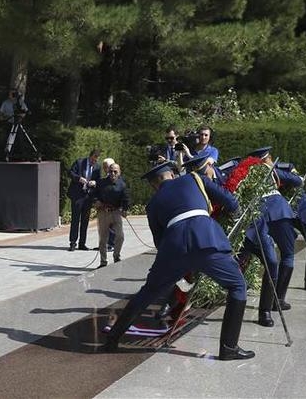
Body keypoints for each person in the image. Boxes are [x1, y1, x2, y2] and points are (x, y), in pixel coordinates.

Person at [102, 154, 254, 361]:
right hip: (206, 240)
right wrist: (234, 214)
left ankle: (113, 338)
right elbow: (229, 200)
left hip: (173, 248)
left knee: (147, 293)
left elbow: (159, 241)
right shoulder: (194, 178)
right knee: (237, 285)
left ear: (155, 185)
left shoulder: (153, 204)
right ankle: (229, 347)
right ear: (173, 174)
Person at [247, 147, 303, 311]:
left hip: (258, 216)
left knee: (257, 254)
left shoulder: (248, 173)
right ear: (268, 158)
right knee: (287, 254)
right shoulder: (270, 168)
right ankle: (278, 300)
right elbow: (298, 180)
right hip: (278, 212)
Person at [277, 162, 306, 292]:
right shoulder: (265, 174)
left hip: (303, 210)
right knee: (286, 248)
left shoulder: (284, 167)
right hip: (286, 212)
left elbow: (296, 180)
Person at [92, 163, 129, 268]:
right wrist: (96, 201)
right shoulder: (101, 183)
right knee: (103, 238)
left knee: (120, 236)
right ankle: (103, 261)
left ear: (119, 172)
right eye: (111, 171)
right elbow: (93, 194)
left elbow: (126, 198)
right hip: (103, 212)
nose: (112, 173)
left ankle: (116, 256)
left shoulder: (122, 184)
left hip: (116, 212)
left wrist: (125, 209)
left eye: (115, 171)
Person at [67, 149, 101, 251]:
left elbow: (98, 181)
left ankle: (82, 243)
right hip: (78, 195)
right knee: (75, 219)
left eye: (96, 160)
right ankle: (73, 243)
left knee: (85, 220)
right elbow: (71, 173)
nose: (94, 162)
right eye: (93, 159)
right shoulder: (80, 162)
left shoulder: (97, 167)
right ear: (90, 156)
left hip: (88, 196)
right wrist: (79, 178)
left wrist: (95, 182)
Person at [0, 89, 29, 161]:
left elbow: (25, 111)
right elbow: (1, 113)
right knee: (8, 139)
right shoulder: (5, 103)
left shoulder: (20, 102)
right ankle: (7, 154)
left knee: (20, 139)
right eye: (11, 93)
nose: (12, 95)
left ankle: (22, 155)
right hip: (9, 123)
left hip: (18, 124)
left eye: (14, 93)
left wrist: (20, 117)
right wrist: (5, 117)